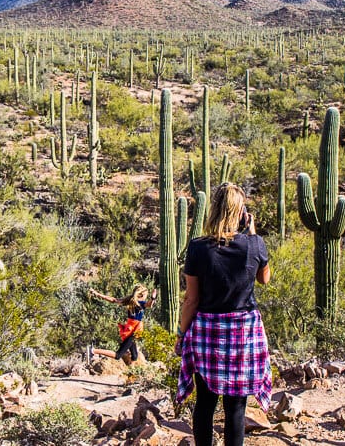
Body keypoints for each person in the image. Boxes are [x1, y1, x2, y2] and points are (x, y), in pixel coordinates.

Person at [175, 183, 272, 446]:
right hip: (243, 333)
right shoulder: (254, 245)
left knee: (205, 404)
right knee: (236, 408)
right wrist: (252, 233)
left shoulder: (197, 248)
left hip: (207, 331)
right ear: (241, 213)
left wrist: (182, 334)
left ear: (214, 209)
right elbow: (265, 279)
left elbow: (191, 300)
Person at [88, 284, 157, 363]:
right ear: (141, 295)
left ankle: (131, 372)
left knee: (134, 356)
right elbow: (150, 304)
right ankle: (93, 350)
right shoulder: (140, 303)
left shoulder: (130, 301)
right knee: (117, 355)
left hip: (131, 330)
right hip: (132, 332)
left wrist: (97, 294)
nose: (146, 297)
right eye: (146, 295)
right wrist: (153, 298)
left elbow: (113, 300)